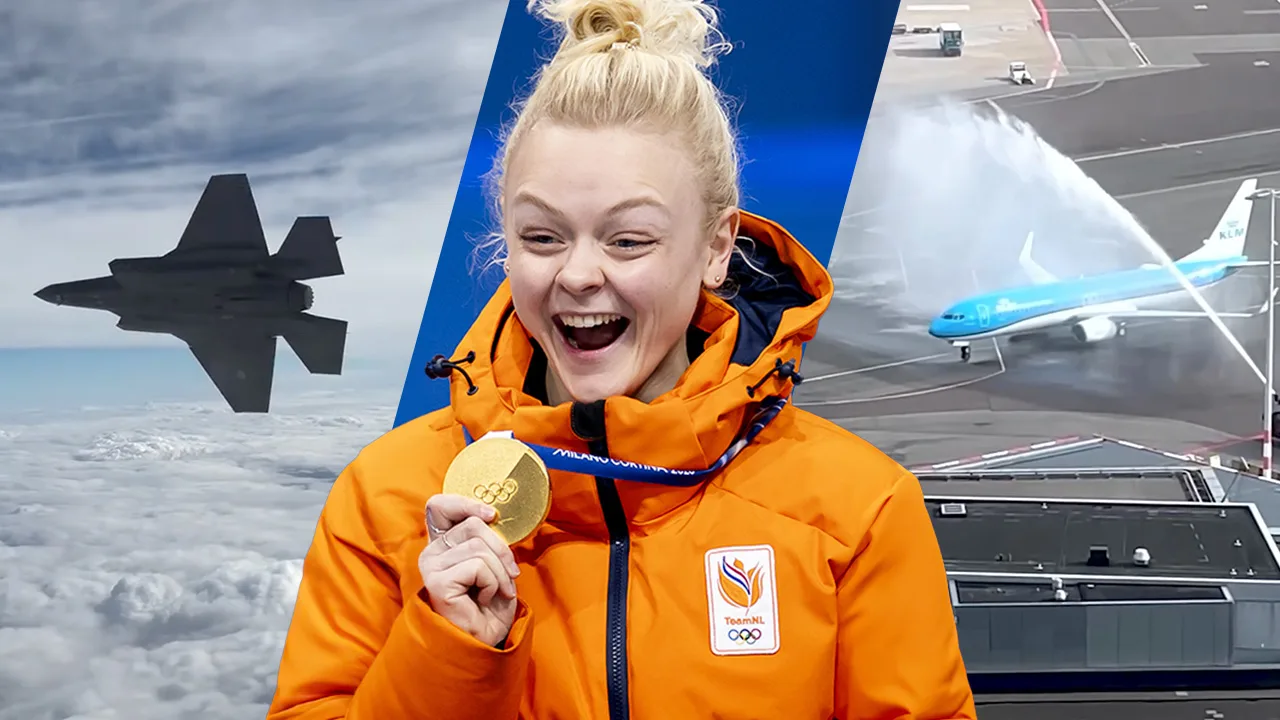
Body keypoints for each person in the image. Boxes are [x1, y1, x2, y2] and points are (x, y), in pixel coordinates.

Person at [266, 0, 977, 718]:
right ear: (505, 243)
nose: (577, 274)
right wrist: (449, 656)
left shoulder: (857, 511)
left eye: (628, 240)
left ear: (715, 248)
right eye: (543, 237)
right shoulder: (387, 498)